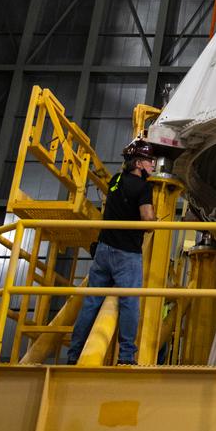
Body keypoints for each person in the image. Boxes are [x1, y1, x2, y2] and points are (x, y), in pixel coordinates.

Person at [66, 139, 157, 366]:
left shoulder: (115, 180)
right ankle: (126, 356)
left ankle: (74, 354)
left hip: (103, 250)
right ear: (138, 163)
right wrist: (154, 221)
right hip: (127, 254)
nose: (152, 164)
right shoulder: (144, 187)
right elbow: (147, 220)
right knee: (129, 303)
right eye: (149, 160)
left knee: (91, 302)